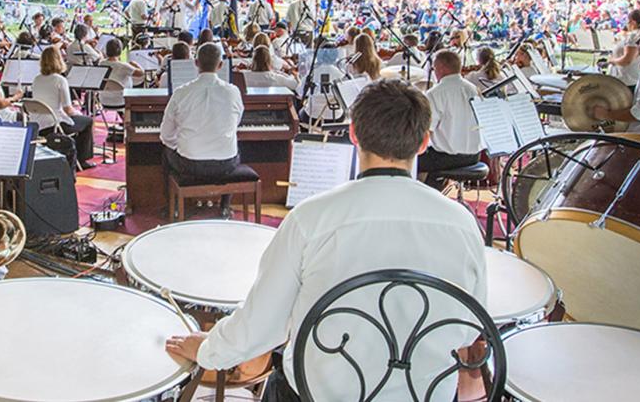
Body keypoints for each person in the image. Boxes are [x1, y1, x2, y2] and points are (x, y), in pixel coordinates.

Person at [165, 79, 487, 402]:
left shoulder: (310, 219)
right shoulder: (462, 224)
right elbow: (472, 326)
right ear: (423, 143)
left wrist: (208, 349)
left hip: (315, 395)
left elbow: (261, 324)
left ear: (353, 135)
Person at [158, 42, 244, 188]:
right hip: (226, 163)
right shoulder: (233, 92)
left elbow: (165, 136)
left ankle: (173, 206)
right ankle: (224, 205)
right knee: (236, 149)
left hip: (190, 164)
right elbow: (235, 123)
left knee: (166, 153)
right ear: (221, 65)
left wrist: (181, 145)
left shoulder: (181, 93)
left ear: (196, 63)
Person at [417, 49, 483, 178]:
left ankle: (428, 193)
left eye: (434, 68)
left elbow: (427, 130)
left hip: (447, 157)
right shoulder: (473, 89)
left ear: (441, 68)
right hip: (474, 155)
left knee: (407, 161)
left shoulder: (435, 93)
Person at [31, 46, 96, 169]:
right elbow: (68, 109)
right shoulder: (60, 80)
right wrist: (79, 113)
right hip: (55, 124)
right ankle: (82, 160)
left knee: (79, 122)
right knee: (87, 121)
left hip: (38, 124)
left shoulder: (36, 79)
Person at [606, 9, 640, 90]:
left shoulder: (633, 36)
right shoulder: (639, 35)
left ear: (632, 22)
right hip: (632, 78)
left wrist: (612, 60)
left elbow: (627, 60)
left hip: (625, 80)